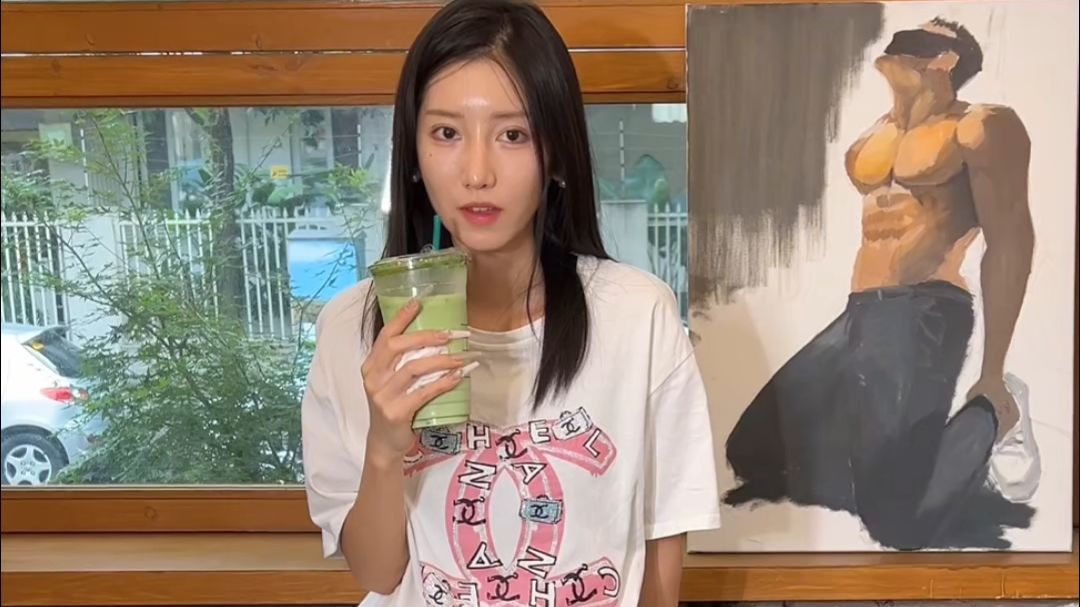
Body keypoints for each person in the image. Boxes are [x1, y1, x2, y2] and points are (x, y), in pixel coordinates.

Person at [300, 0, 722, 604]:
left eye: (513, 135)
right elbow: (377, 574)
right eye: (447, 133)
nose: (477, 173)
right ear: (413, 154)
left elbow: (659, 548)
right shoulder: (351, 328)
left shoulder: (638, 317)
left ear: (557, 154)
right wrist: (385, 448)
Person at [723, 18, 1037, 550]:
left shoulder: (980, 126)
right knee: (753, 451)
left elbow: (1011, 241)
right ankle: (897, 463)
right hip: (862, 313)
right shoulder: (878, 133)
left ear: (946, 61)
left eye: (913, 43)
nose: (893, 48)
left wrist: (990, 371)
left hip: (922, 312)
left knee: (896, 526)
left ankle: (996, 413)